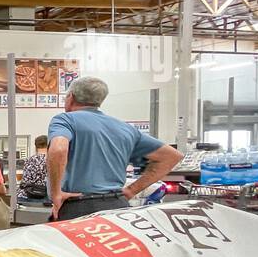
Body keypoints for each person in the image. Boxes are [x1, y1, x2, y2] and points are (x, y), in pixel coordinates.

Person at [47, 76, 182, 221]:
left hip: (78, 207)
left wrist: (56, 193)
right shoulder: (125, 128)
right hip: (118, 206)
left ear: (71, 97)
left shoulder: (65, 120)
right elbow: (172, 156)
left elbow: (58, 149)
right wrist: (131, 190)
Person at [20, 135, 50, 200]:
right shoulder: (54, 160)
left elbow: (25, 181)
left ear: (36, 146)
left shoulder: (29, 160)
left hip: (30, 195)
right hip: (47, 196)